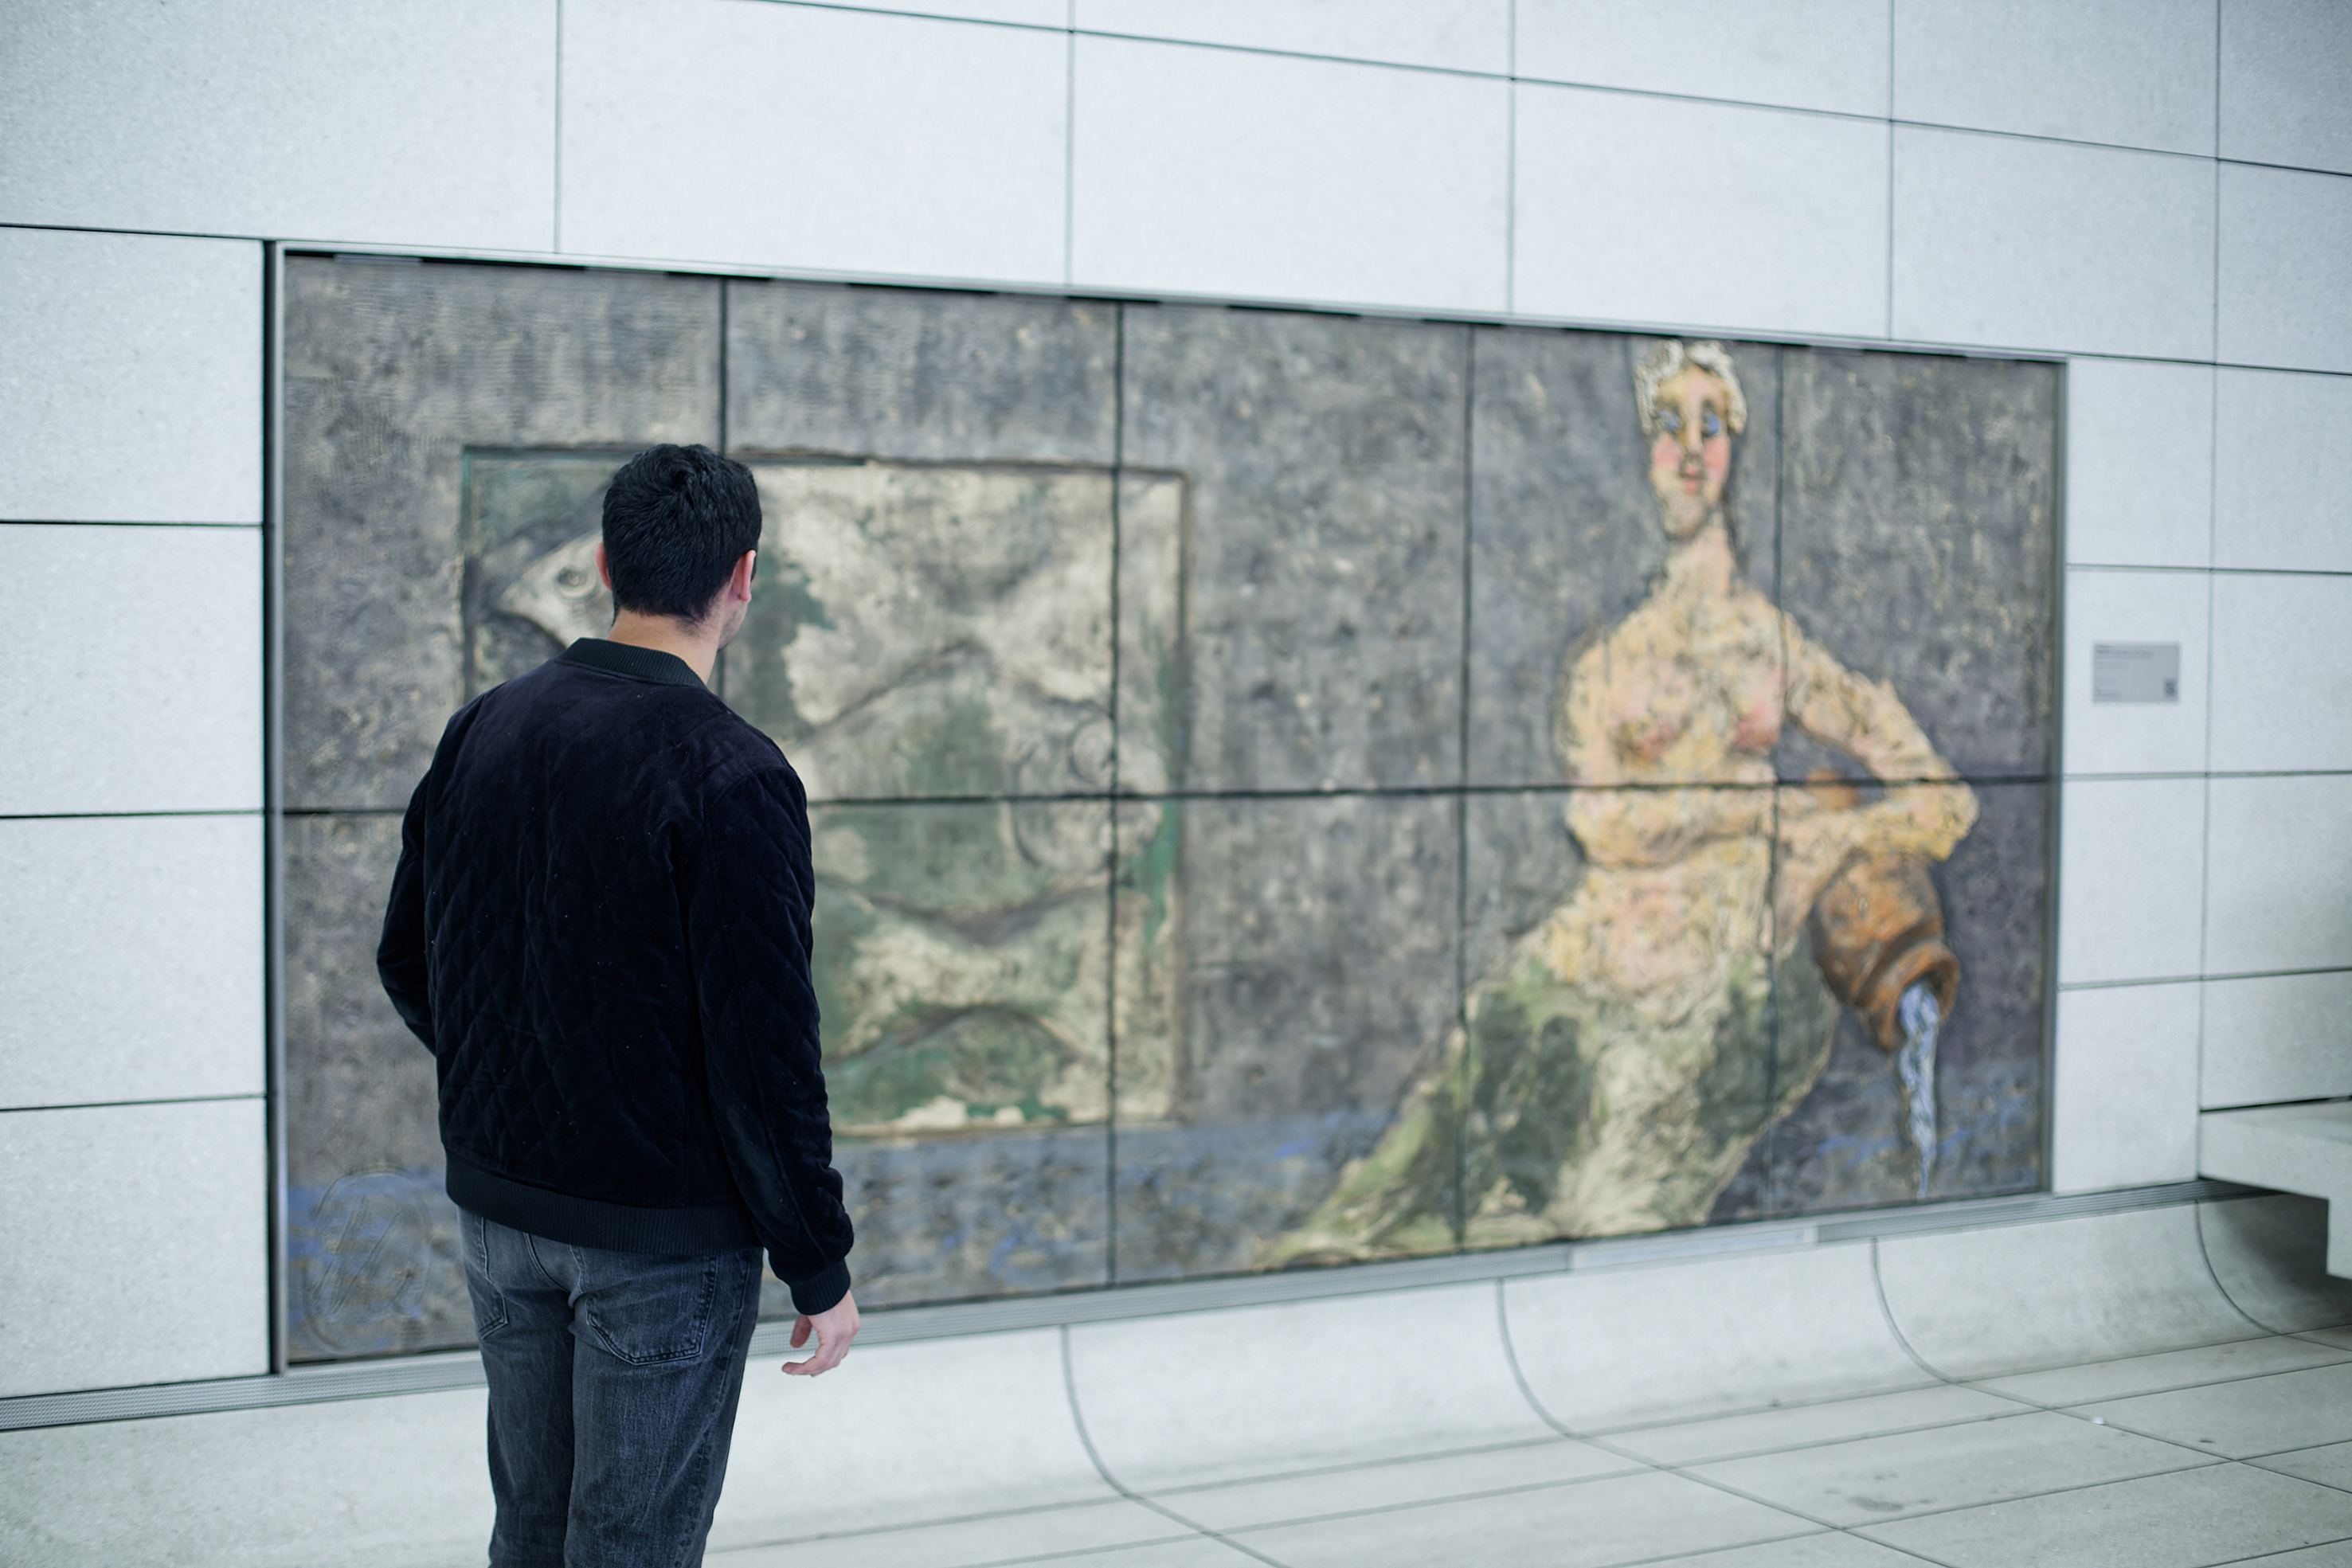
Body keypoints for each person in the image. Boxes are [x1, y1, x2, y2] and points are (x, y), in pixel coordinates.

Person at [1267, 340, 1978, 1265]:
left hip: (1712, 990)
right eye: (1667, 427)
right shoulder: (1608, 659)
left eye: (1712, 426)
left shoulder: (1768, 642)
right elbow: (1598, 825)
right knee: (1417, 1173)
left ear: (1735, 450)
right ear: (1636, 457)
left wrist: (1826, 833)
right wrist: (1742, 811)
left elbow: (1943, 800)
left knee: (1610, 1212)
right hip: (1583, 965)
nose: (1691, 450)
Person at [378, 443, 857, 1567]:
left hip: (502, 1215)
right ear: (742, 577)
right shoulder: (732, 772)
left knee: (533, 1528)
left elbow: (410, 956)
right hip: (661, 1239)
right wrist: (818, 1261)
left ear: (603, 561)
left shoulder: (483, 727)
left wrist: (527, 1072)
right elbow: (763, 1049)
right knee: (630, 1544)